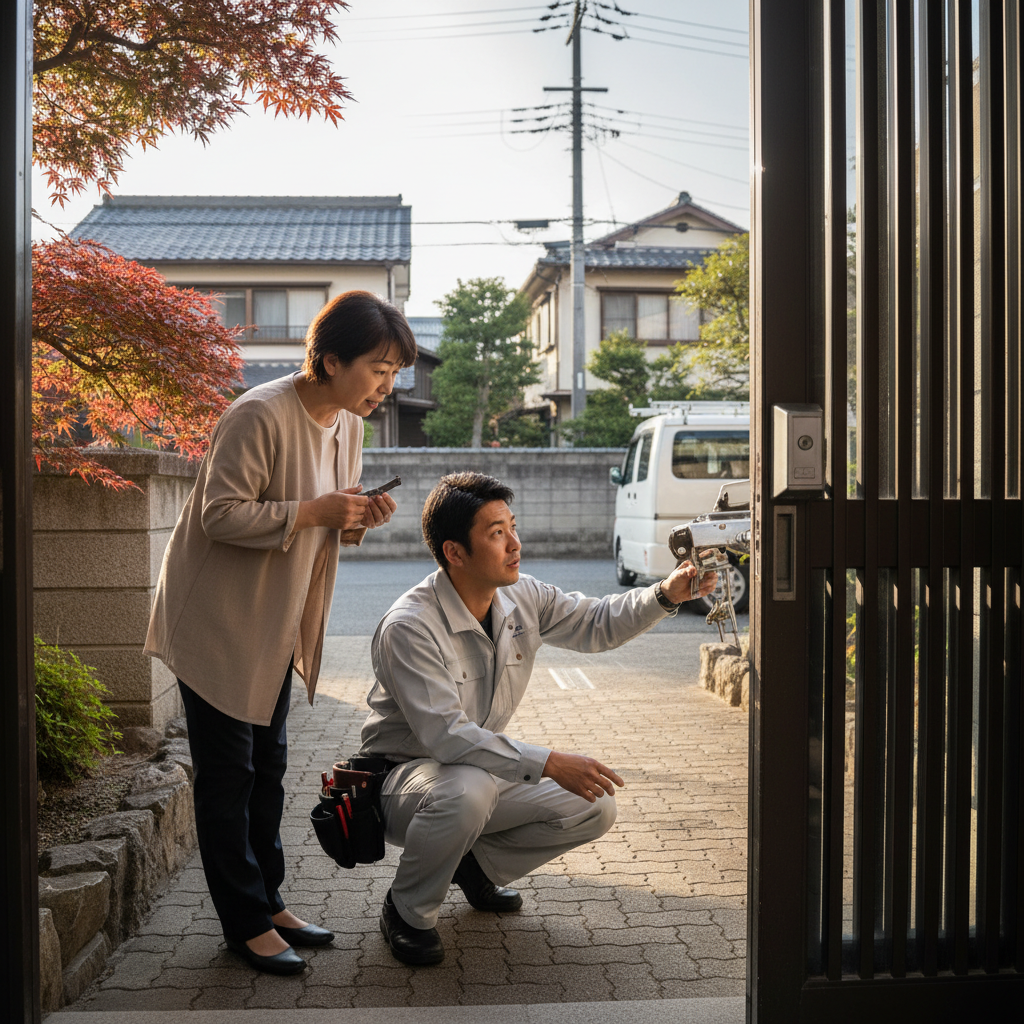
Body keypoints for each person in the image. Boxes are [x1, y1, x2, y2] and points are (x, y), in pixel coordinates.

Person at [145, 290, 417, 975]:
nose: (387, 386)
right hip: (217, 619)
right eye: (378, 369)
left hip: (274, 619)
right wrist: (317, 508)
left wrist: (355, 517)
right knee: (228, 775)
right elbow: (219, 515)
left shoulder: (349, 424)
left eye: (394, 373)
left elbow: (324, 521)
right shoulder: (257, 414)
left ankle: (267, 902)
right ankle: (244, 923)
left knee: (267, 768)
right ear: (329, 360)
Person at [356, 471, 718, 965]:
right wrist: (548, 762)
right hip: (403, 782)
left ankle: (475, 868)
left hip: (475, 771)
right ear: (454, 552)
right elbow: (446, 737)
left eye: (513, 526)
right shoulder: (410, 627)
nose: (515, 544)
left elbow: (598, 622)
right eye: (496, 533)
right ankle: (407, 910)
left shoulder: (522, 595)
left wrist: (665, 594)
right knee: (468, 791)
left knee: (593, 804)